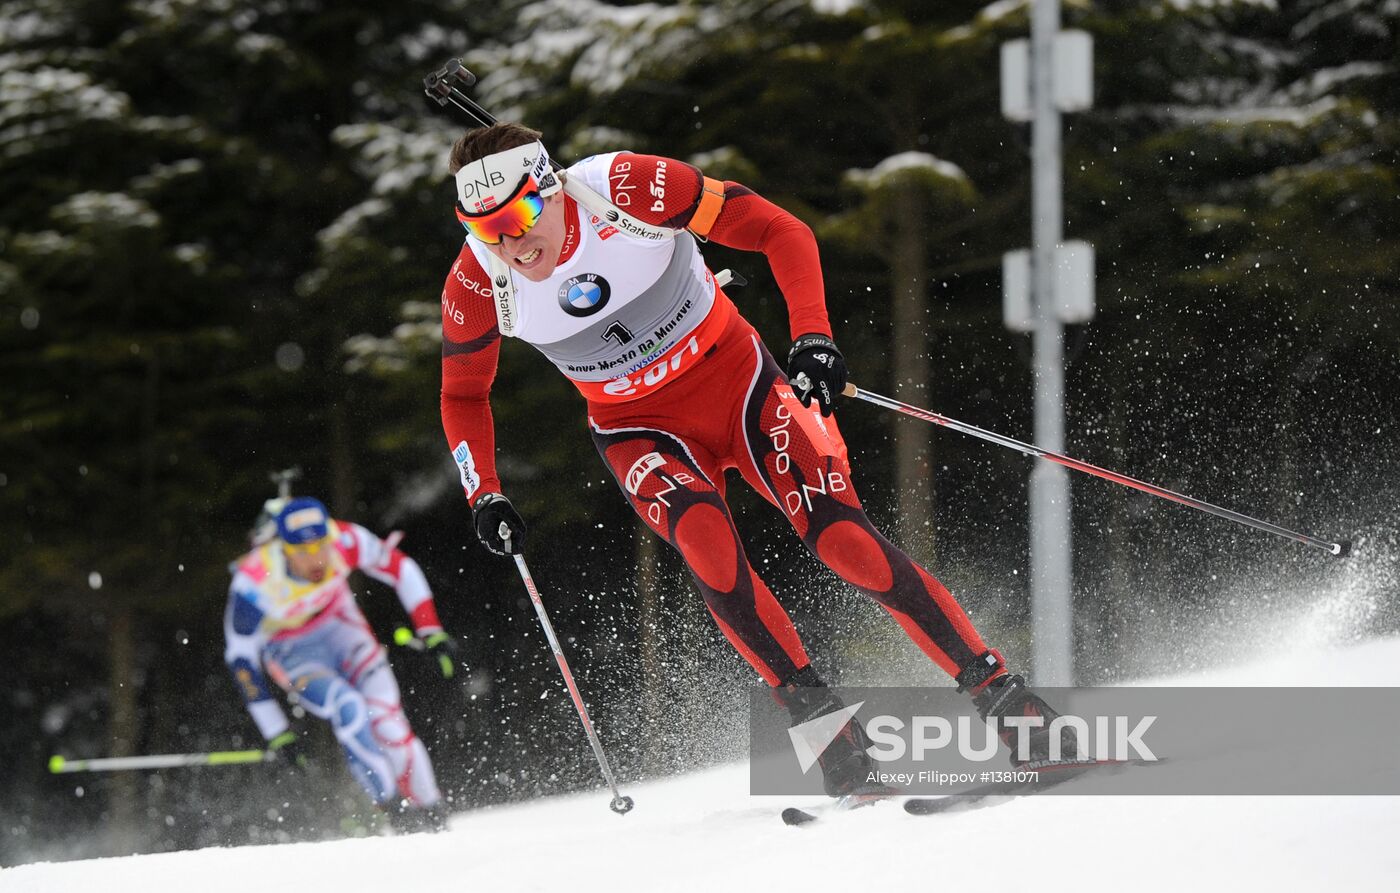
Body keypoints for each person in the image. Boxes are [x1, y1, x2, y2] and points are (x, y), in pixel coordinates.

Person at [437, 123, 1073, 797]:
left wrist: (815, 339)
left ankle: (1014, 711)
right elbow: (462, 390)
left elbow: (782, 231)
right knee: (708, 546)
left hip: (741, 381)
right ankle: (838, 748)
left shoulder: (626, 188)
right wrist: (485, 492)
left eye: (518, 217)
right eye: (483, 227)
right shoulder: (478, 278)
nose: (509, 243)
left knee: (841, 537)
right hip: (637, 428)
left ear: (551, 186)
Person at [224, 496, 458, 831]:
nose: (315, 558)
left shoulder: (344, 539)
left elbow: (400, 568)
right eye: (302, 552)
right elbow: (240, 659)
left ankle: (434, 814)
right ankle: (395, 812)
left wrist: (430, 629)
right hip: (292, 652)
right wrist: (276, 731)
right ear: (284, 548)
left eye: (320, 546)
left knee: (388, 724)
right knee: (349, 708)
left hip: (342, 630)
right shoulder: (255, 580)